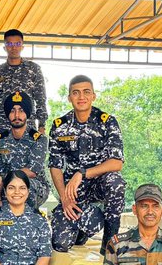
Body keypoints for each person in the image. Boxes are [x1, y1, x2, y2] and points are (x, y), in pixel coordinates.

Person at [48, 75, 126, 254]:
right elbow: (55, 166)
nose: (81, 97)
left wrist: (82, 173)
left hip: (99, 184)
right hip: (73, 193)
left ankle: (109, 245)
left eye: (86, 92)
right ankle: (81, 231)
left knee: (116, 182)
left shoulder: (107, 122)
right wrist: (64, 198)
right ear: (69, 98)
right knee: (60, 244)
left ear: (93, 96)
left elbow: (116, 163)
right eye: (76, 93)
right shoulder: (60, 126)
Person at [0, 91, 50, 210]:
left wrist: (3, 178)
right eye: (12, 111)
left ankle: (27, 218)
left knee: (21, 186)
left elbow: (32, 171)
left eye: (21, 110)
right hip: (6, 188)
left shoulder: (39, 139)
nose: (17, 115)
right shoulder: (0, 140)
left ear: (27, 113)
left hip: (34, 188)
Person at [0, 29, 48, 133]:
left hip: (27, 128)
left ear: (22, 46)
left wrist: (42, 125)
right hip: (1, 128)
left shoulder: (34, 69)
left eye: (17, 43)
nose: (13, 47)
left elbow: (40, 99)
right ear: (4, 47)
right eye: (9, 43)